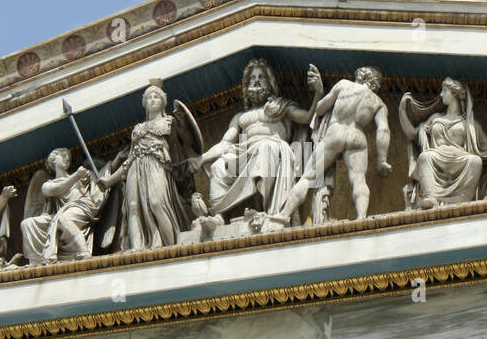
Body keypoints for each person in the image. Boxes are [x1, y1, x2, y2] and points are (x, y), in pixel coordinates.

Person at [186, 59, 322, 222]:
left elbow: (307, 117)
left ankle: (264, 211)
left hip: (272, 148)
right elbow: (224, 144)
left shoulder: (281, 107)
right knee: (219, 166)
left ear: (270, 83)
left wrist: (318, 94)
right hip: (244, 153)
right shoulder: (240, 117)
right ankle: (219, 216)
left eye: (261, 77)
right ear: (246, 86)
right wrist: (202, 159)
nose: (256, 80)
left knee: (264, 148)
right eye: (252, 78)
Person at [273, 65, 391, 223]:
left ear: (361, 76)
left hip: (336, 132)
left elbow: (320, 108)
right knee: (358, 179)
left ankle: (284, 215)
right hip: (357, 136)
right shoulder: (379, 103)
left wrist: (320, 95)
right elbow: (383, 130)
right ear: (375, 84)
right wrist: (382, 160)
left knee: (309, 176)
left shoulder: (343, 85)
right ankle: (361, 218)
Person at [97, 83, 196, 250]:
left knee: (157, 202)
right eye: (149, 97)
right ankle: (137, 248)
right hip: (136, 167)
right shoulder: (138, 129)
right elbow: (129, 160)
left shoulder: (169, 122)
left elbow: (184, 147)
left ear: (163, 102)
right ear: (145, 103)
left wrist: (184, 123)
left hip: (157, 164)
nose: (152, 99)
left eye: (156, 96)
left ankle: (173, 246)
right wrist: (109, 181)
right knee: (133, 206)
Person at [399, 77, 487, 208]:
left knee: (475, 161)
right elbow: (411, 134)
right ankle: (430, 197)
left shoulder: (469, 124)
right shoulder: (435, 118)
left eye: (444, 90)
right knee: (425, 157)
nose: (441, 94)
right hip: (437, 156)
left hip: (460, 158)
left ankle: (463, 198)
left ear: (455, 93)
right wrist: (402, 110)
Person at [21, 148, 115, 263]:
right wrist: (76, 176)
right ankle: (38, 262)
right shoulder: (48, 184)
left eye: (69, 158)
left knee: (63, 218)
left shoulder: (82, 176)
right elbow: (58, 189)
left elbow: (102, 178)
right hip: (57, 214)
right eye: (63, 156)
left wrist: (118, 160)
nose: (67, 159)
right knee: (27, 223)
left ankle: (83, 251)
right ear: (53, 160)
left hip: (80, 208)